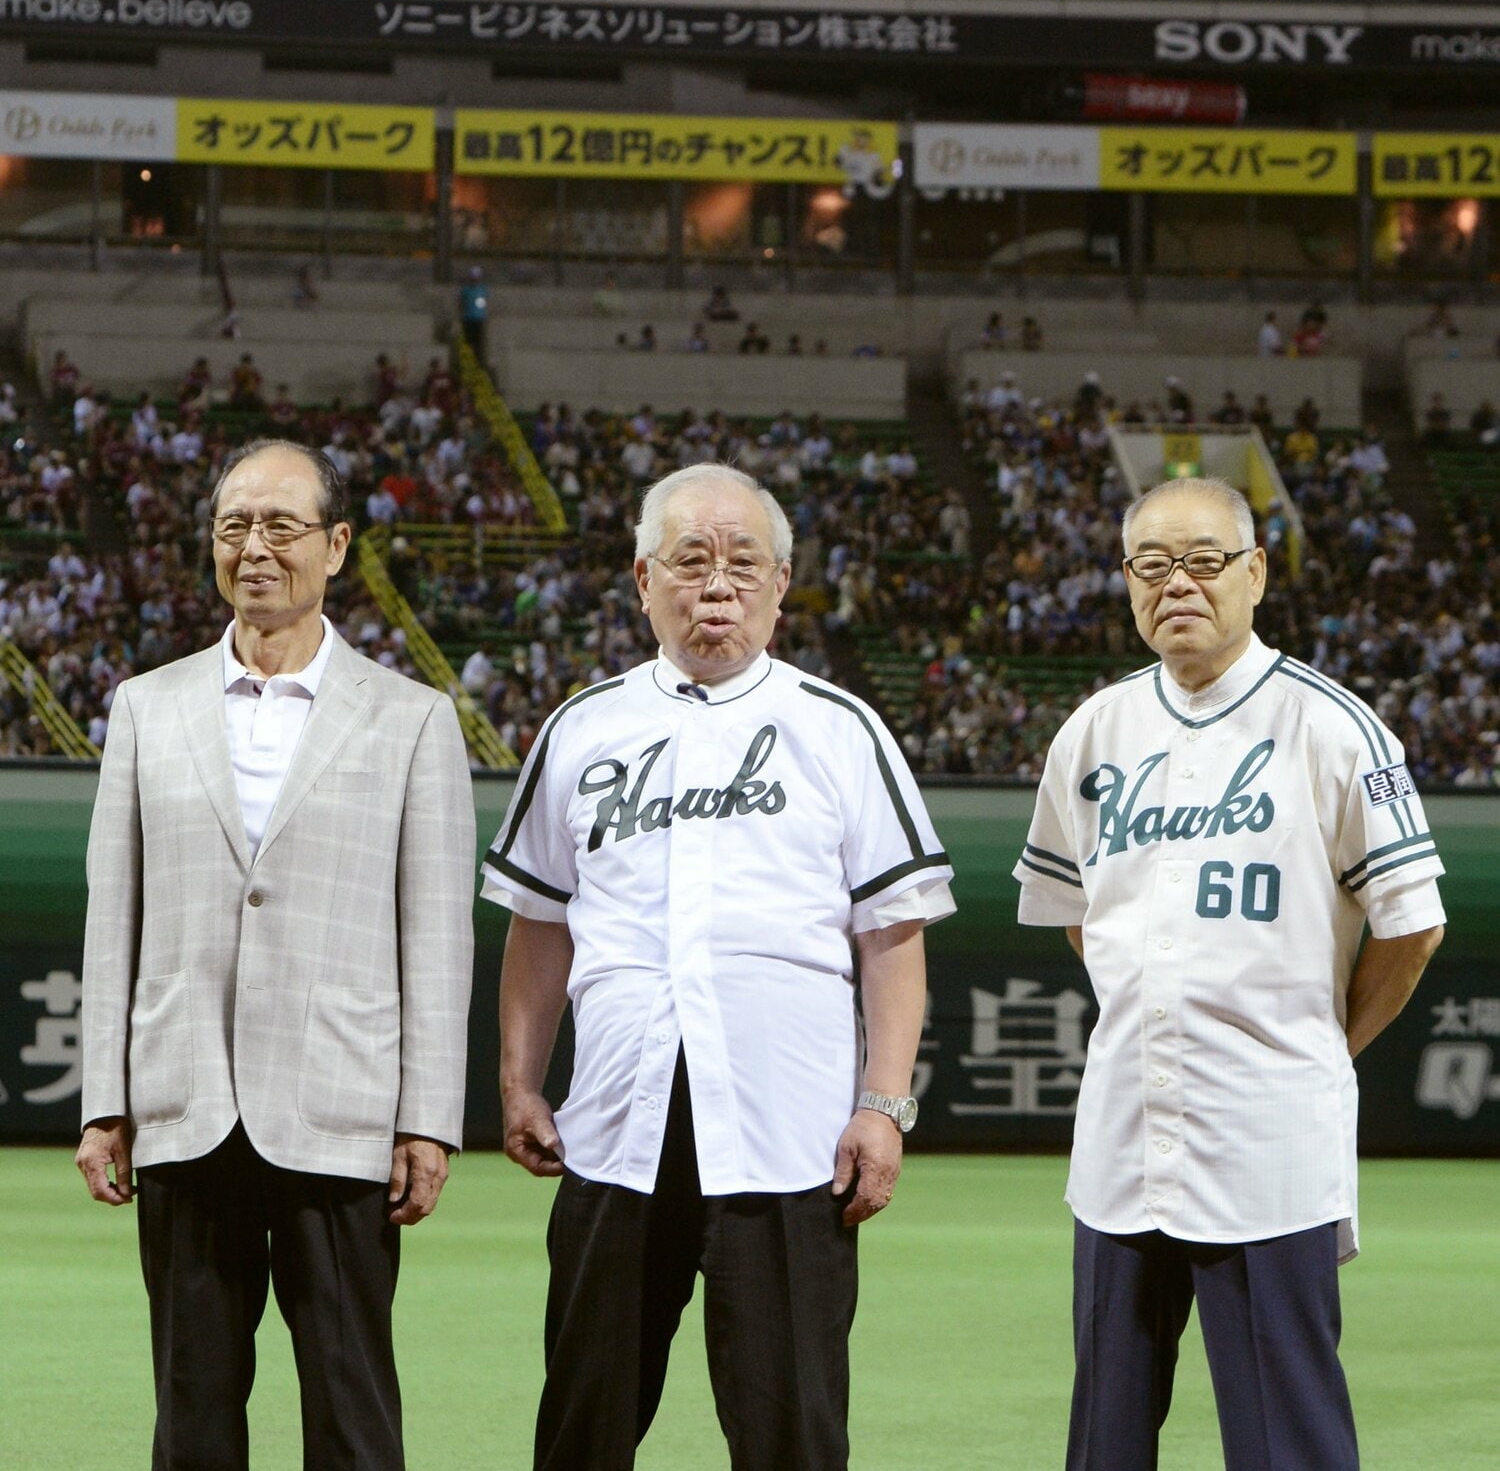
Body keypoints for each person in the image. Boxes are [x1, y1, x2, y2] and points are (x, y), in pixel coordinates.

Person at [484, 462, 953, 1471]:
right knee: (582, 1424)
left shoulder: (840, 729)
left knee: (792, 1431)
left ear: (783, 585)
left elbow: (893, 935)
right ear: (643, 578)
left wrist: (886, 1104)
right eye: (691, 561)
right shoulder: (581, 729)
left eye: (745, 563)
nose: (717, 587)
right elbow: (539, 922)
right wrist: (521, 1078)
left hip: (788, 1137)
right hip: (616, 1124)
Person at [1015, 475, 1445, 1471]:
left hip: (1268, 1136)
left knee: (1284, 1434)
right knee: (1106, 1437)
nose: (1179, 583)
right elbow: (1079, 916)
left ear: (1255, 572)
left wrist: (1319, 1048)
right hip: (1125, 1131)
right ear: (1126, 582)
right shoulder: (1094, 731)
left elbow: (1412, 929)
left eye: (1205, 559)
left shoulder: (1332, 726)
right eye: (1151, 564)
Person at [76, 437, 475, 1470]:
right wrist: (102, 1099)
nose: (255, 548)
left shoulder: (413, 719)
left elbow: (437, 934)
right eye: (233, 527)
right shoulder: (145, 708)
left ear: (337, 546)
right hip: (186, 1103)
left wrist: (427, 1117)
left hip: (341, 1109)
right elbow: (111, 913)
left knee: (352, 1409)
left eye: (282, 526)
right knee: (193, 1408)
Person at [460, 264, 490, 362]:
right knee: (468, 340)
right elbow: (461, 303)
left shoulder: (483, 289)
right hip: (468, 318)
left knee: (478, 341)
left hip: (479, 318)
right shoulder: (465, 290)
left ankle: (478, 359)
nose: (475, 279)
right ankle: (469, 358)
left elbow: (484, 303)